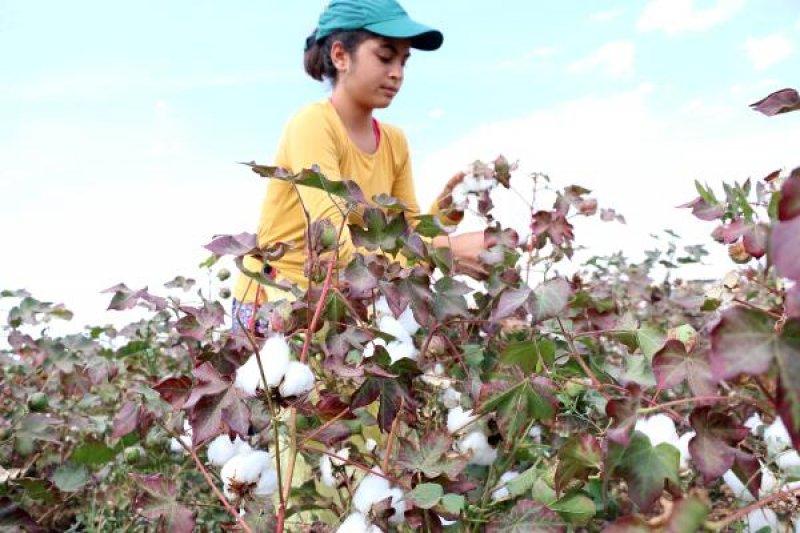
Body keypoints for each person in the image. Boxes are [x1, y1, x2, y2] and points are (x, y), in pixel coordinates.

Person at [231, 0, 487, 335]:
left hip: (341, 304)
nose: (397, 73)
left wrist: (449, 209)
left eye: (403, 61)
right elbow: (331, 241)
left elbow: (406, 234)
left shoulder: (394, 141)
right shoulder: (313, 124)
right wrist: (446, 250)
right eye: (385, 57)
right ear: (340, 56)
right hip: (276, 303)